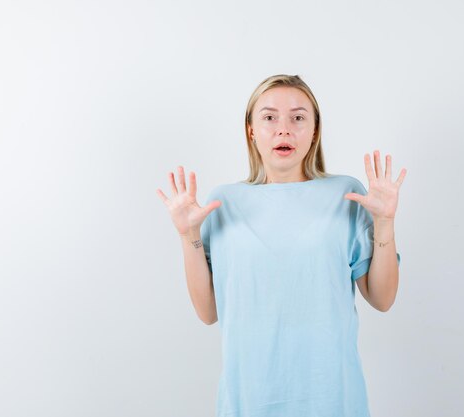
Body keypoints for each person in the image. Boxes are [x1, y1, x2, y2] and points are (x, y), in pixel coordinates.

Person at [156, 74, 406, 417]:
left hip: (332, 401)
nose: (284, 129)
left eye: (298, 118)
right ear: (251, 130)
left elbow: (382, 298)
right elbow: (208, 313)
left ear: (315, 130)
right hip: (250, 399)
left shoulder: (345, 194)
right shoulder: (222, 203)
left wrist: (385, 222)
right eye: (270, 117)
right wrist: (188, 236)